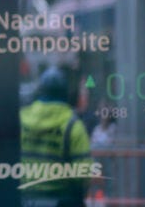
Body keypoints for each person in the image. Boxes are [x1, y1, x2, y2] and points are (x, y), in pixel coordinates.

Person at [19, 66, 91, 207]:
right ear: (65, 93)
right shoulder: (72, 125)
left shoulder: (22, 118)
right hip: (62, 199)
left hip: (25, 198)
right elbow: (83, 174)